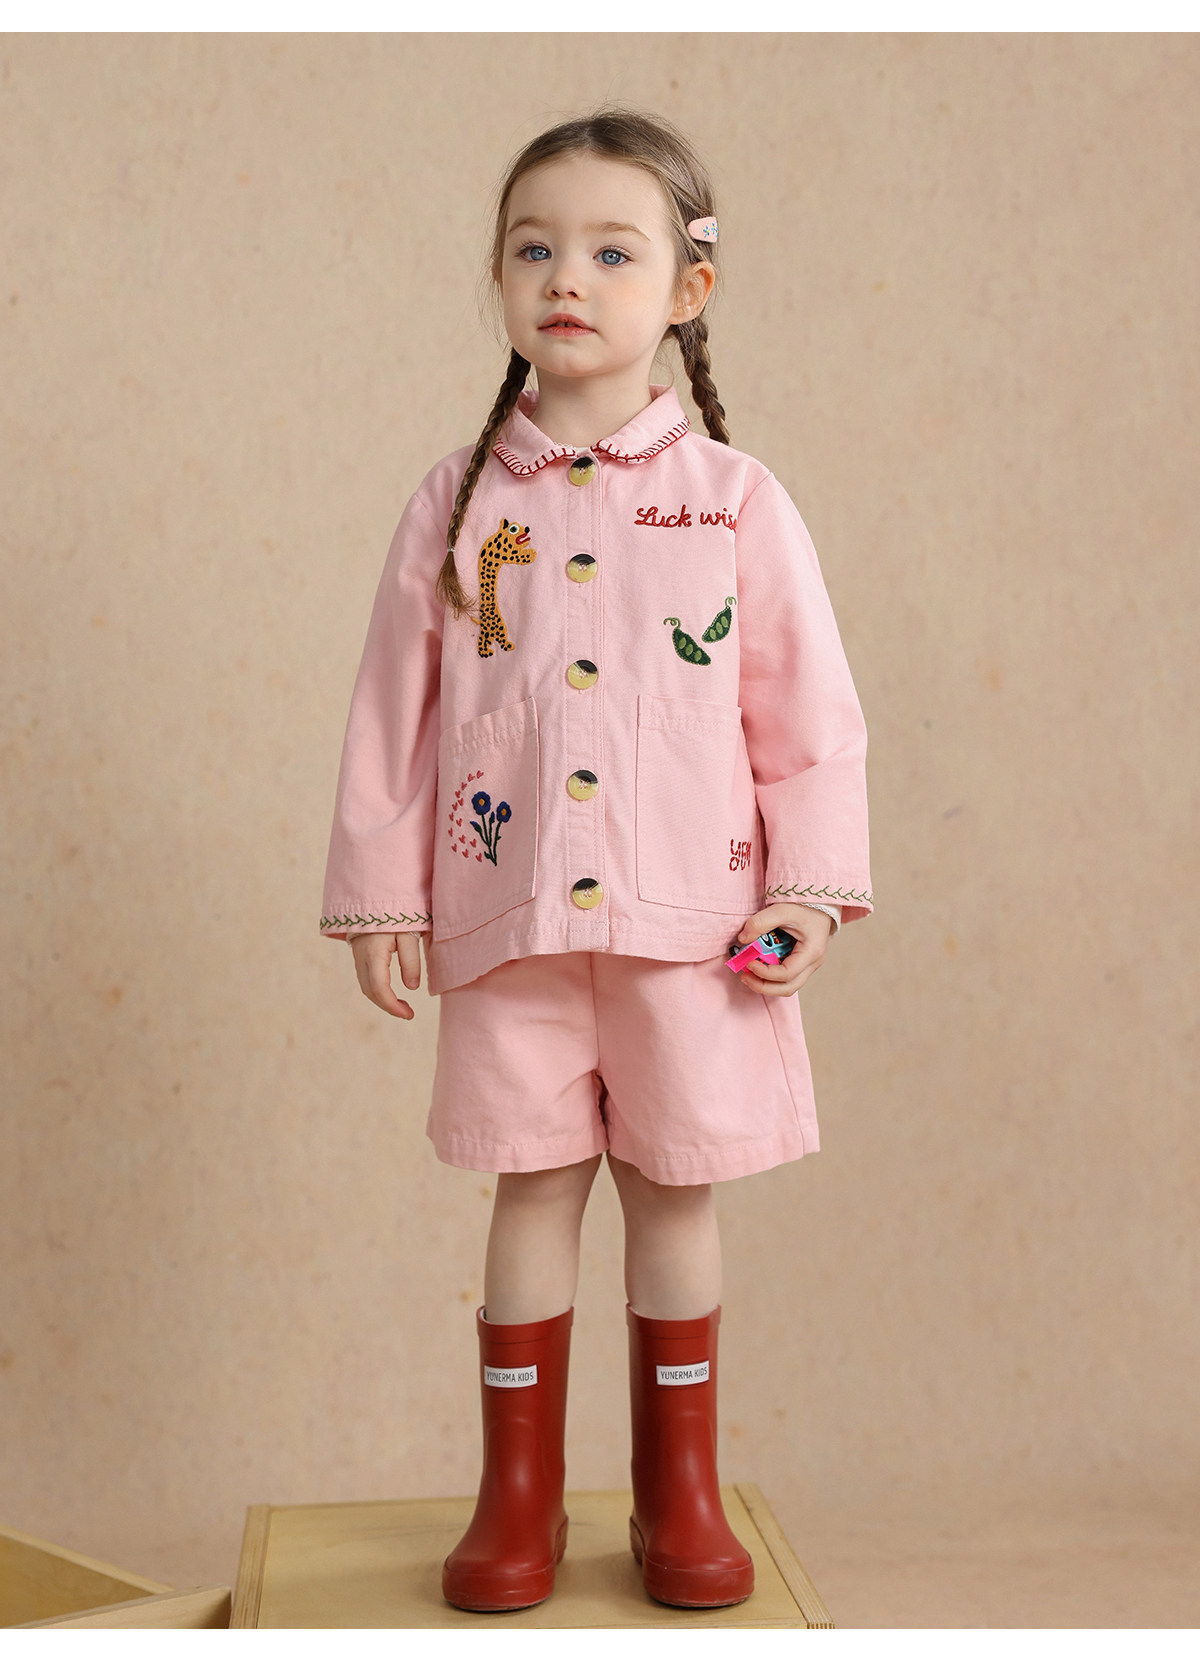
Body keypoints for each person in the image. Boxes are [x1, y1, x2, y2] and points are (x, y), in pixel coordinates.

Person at [319, 105, 873, 1614]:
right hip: (507, 925)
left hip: (694, 935)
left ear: (690, 288)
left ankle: (678, 1495)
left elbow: (809, 715)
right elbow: (392, 715)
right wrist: (381, 895)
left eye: (613, 251)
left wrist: (809, 891)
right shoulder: (456, 502)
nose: (568, 277)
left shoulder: (736, 501)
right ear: (500, 277)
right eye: (534, 247)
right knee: (531, 1190)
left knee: (676, 1196)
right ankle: (520, 1500)